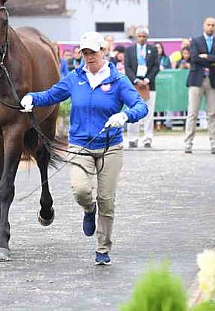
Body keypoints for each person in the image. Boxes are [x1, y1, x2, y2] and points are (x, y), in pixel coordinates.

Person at [20, 31, 148, 266]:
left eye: (93, 52)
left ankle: (102, 249)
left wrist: (125, 115)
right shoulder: (74, 78)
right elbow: (51, 95)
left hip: (110, 147)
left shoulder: (118, 81)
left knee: (107, 200)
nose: (89, 57)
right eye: (85, 53)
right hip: (80, 145)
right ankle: (89, 210)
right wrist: (31, 98)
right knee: (81, 191)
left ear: (104, 51)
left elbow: (141, 106)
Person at [184, 17, 215, 154]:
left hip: (212, 80)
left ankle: (214, 144)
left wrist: (206, 57)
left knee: (212, 113)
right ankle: (188, 143)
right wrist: (213, 59)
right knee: (192, 112)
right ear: (204, 26)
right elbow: (194, 58)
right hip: (196, 80)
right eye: (208, 24)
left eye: (213, 25)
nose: (210, 27)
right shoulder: (195, 41)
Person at [124, 27, 160, 148]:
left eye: (144, 36)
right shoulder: (129, 50)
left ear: (147, 37)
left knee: (149, 112)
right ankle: (132, 138)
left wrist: (147, 79)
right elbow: (127, 67)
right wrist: (135, 80)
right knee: (133, 110)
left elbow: (156, 66)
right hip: (134, 84)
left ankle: (148, 138)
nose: (142, 38)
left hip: (149, 84)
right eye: (140, 36)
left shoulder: (153, 49)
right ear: (136, 36)